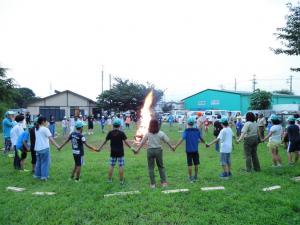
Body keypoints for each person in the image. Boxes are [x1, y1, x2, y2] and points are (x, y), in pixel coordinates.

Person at [135, 119, 174, 188]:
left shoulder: (148, 133)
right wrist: (172, 147)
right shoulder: (161, 133)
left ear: (150, 125)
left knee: (151, 168)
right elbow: (167, 141)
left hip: (150, 151)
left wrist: (137, 150)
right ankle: (164, 183)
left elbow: (142, 142)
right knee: (161, 167)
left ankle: (153, 184)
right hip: (158, 151)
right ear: (157, 125)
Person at [98, 119, 134, 185]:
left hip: (113, 152)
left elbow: (105, 141)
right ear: (120, 125)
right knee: (121, 166)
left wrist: (99, 148)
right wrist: (132, 148)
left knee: (111, 165)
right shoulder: (121, 133)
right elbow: (126, 143)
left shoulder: (110, 133)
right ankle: (121, 181)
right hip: (120, 152)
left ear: (113, 125)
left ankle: (109, 180)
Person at [174, 117, 206, 183]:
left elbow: (181, 139)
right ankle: (196, 176)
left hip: (188, 150)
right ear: (194, 123)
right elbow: (201, 138)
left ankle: (190, 177)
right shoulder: (197, 130)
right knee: (196, 164)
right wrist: (205, 143)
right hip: (195, 150)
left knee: (190, 164)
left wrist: (175, 146)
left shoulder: (186, 131)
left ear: (188, 123)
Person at [34, 116, 60, 181]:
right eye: (46, 121)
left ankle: (37, 175)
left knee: (39, 162)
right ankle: (44, 177)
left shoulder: (36, 128)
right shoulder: (45, 129)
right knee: (45, 163)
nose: (47, 122)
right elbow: (51, 139)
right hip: (44, 148)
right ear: (43, 121)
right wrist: (57, 146)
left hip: (37, 148)